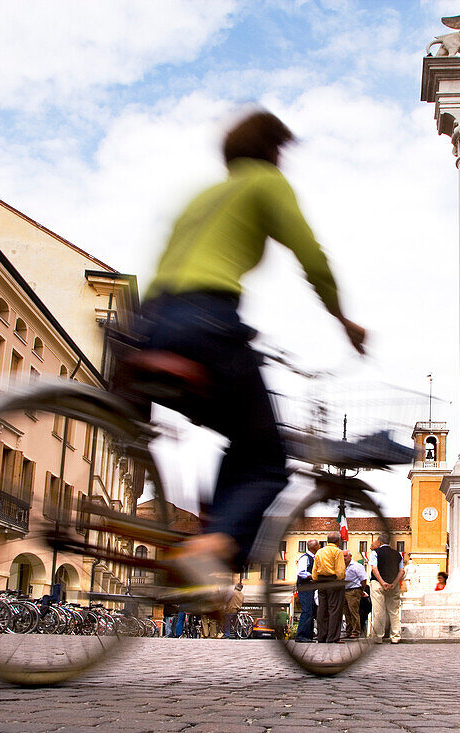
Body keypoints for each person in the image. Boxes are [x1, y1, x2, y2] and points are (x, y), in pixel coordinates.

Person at [126, 110, 367, 587]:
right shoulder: (266, 183)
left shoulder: (203, 195)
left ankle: (205, 549)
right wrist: (344, 321)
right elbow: (310, 256)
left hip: (150, 326)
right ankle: (212, 545)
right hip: (206, 323)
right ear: (274, 150)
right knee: (264, 454)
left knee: (233, 430)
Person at [368, 534, 405, 644]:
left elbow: (374, 569)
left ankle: (378, 636)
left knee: (378, 611)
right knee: (394, 611)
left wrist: (382, 582)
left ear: (379, 541)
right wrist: (394, 583)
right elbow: (402, 571)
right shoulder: (398, 554)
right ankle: (395, 636)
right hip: (393, 584)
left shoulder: (375, 552)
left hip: (378, 584)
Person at [312, 532, 346, 644]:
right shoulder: (337, 552)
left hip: (321, 581)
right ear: (338, 541)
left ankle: (322, 636)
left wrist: (316, 579)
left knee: (322, 609)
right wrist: (340, 580)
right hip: (333, 581)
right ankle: (333, 637)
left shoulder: (319, 552)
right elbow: (340, 570)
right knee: (334, 609)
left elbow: (314, 570)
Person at [293, 539, 320, 643]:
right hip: (305, 586)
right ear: (314, 547)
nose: (319, 547)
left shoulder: (312, 558)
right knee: (307, 610)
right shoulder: (305, 558)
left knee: (311, 610)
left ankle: (308, 636)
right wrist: (313, 576)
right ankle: (301, 636)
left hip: (310, 587)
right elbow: (301, 572)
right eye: (318, 545)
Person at [342, 550, 367, 639]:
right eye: (342, 556)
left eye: (345, 556)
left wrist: (361, 590)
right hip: (344, 590)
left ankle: (356, 632)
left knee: (353, 611)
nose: (344, 558)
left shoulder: (357, 566)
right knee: (347, 612)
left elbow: (363, 579)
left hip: (354, 590)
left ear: (350, 556)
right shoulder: (341, 566)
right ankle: (348, 631)